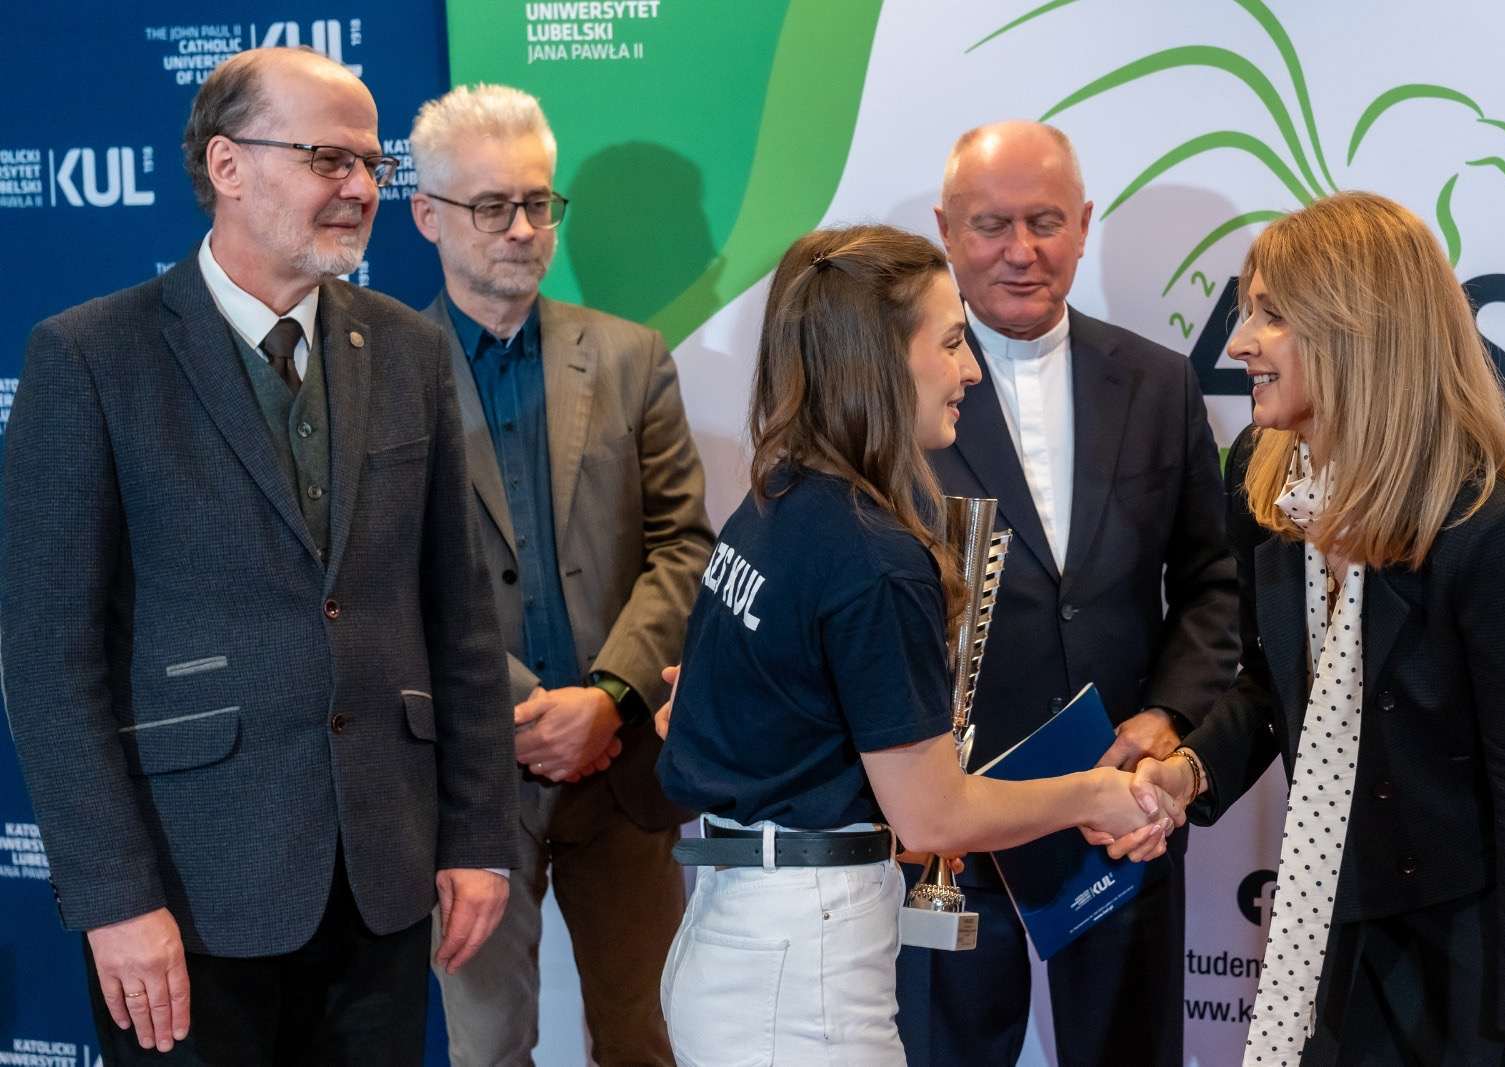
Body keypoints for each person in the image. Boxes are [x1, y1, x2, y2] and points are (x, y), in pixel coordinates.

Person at [0, 48, 516, 1064]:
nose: (361, 186)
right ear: (228, 166)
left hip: (383, 881)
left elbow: (458, 617)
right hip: (185, 896)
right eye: (330, 158)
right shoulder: (91, 356)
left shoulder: (408, 350)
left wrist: (478, 835)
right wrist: (114, 895)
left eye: (373, 163)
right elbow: (48, 660)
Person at [653, 224, 1181, 1066]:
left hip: (745, 938)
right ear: (880, 360)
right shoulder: (873, 553)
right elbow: (933, 815)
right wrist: (1092, 794)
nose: (970, 370)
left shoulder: (777, 500)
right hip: (798, 970)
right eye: (951, 342)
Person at [1128, 191, 1505, 1066]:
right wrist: (1188, 772)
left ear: (1358, 332)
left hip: (1468, 969)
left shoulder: (1493, 539)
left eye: (1270, 315)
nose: (1238, 343)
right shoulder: (1267, 488)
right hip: (1327, 946)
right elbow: (1273, 684)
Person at [897, 120, 1239, 1066]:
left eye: (1045, 222)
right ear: (947, 231)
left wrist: (1169, 714)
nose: (1022, 251)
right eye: (991, 225)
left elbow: (1214, 581)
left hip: (1119, 813)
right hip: (952, 826)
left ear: (1084, 224)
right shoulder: (895, 398)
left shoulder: (1161, 382)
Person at [408, 83, 713, 1066]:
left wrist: (607, 697)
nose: (522, 229)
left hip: (622, 771)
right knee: (489, 1047)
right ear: (427, 215)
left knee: (646, 1037)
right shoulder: (382, 374)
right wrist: (529, 710)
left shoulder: (630, 357)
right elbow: (382, 581)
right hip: (468, 780)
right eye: (492, 206)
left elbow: (684, 545)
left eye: (537, 202)